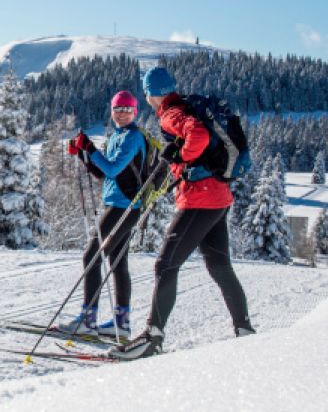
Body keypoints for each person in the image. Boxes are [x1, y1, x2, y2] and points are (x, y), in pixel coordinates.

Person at [108, 67, 254, 360]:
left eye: (148, 94)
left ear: (151, 94)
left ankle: (153, 336)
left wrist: (180, 155)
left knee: (165, 265)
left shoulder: (170, 113)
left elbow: (196, 135)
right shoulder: (187, 106)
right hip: (218, 196)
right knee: (219, 267)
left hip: (200, 199)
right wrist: (178, 158)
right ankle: (244, 330)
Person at [58, 90, 148, 339]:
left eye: (126, 109)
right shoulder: (117, 137)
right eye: (117, 109)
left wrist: (90, 148)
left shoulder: (132, 137)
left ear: (134, 112)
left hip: (124, 207)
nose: (121, 114)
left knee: (91, 257)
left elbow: (112, 167)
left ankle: (88, 319)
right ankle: (121, 323)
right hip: (121, 205)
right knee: (117, 262)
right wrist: (85, 156)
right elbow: (105, 174)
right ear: (112, 111)